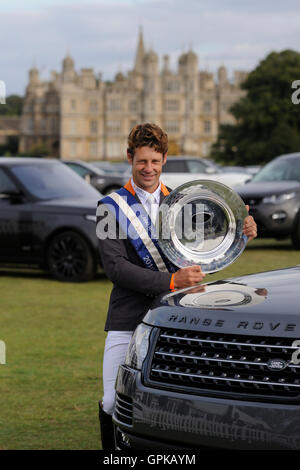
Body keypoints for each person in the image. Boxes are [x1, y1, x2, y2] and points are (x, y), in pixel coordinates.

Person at [96, 123, 257, 451]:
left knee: (180, 402)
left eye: (155, 161)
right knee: (113, 402)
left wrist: (241, 232)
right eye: (142, 161)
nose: (149, 169)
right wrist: (170, 281)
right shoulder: (107, 207)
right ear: (130, 158)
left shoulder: (184, 202)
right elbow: (115, 268)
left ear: (165, 160)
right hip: (127, 316)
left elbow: (206, 252)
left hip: (177, 316)